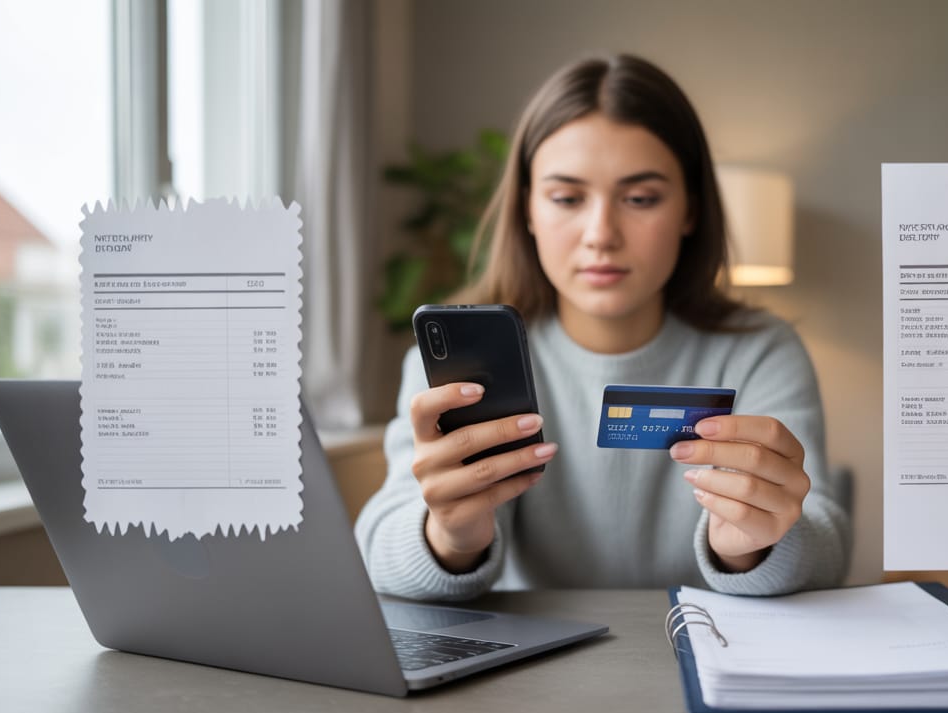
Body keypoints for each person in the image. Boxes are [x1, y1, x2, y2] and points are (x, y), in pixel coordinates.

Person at [355, 54, 849, 600]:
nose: (601, 234)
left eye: (640, 198)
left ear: (690, 209)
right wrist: (448, 534)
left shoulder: (761, 351)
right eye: (566, 198)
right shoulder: (460, 363)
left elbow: (826, 543)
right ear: (527, 211)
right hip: (528, 673)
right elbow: (381, 548)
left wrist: (752, 545)